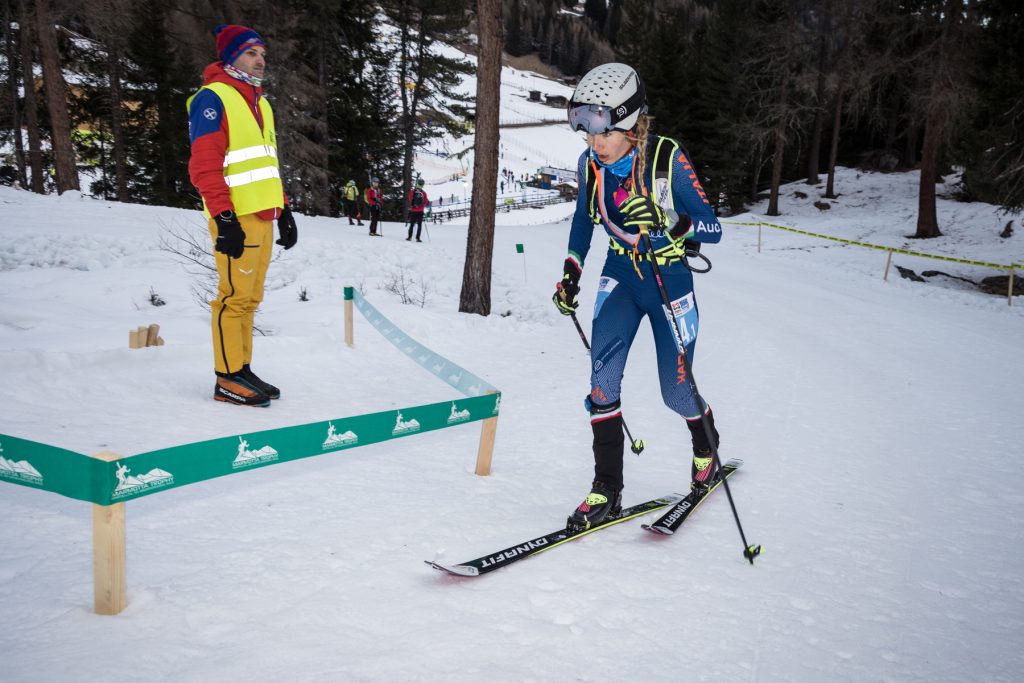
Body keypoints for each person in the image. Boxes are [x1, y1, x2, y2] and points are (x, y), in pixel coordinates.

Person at [553, 63, 724, 531]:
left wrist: (669, 219)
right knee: (601, 383)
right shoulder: (592, 165)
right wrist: (571, 273)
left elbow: (713, 226)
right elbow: (583, 222)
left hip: (669, 282)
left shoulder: (666, 158)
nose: (593, 142)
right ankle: (606, 488)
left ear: (628, 121)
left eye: (600, 129)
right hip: (621, 278)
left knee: (676, 391)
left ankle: (706, 450)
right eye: (584, 129)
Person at [188, 24, 297, 408]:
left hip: (263, 214)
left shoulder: (260, 102)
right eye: (251, 52)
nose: (260, 59)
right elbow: (204, 166)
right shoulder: (213, 99)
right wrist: (225, 217)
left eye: (262, 52)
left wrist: (284, 210)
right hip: (235, 215)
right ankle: (226, 378)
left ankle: (242, 368)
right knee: (232, 298)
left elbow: (267, 163)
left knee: (250, 298)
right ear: (231, 56)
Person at [407, 178, 428, 242]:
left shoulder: (413, 191)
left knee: (412, 224)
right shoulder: (424, 193)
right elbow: (426, 202)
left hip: (413, 210)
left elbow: (410, 199)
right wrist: (421, 206)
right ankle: (418, 238)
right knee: (419, 225)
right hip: (420, 211)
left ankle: (409, 237)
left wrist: (413, 205)